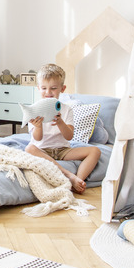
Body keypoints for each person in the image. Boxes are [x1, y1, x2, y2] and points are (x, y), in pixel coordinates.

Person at [24, 64, 100, 194]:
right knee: (29, 149)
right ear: (38, 88)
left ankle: (77, 181)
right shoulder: (34, 109)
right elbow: (37, 138)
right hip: (42, 149)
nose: (48, 93)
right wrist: (38, 126)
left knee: (95, 151)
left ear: (62, 89)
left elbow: (69, 136)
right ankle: (69, 175)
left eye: (53, 88)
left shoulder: (66, 109)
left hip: (62, 150)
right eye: (44, 88)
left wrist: (60, 122)